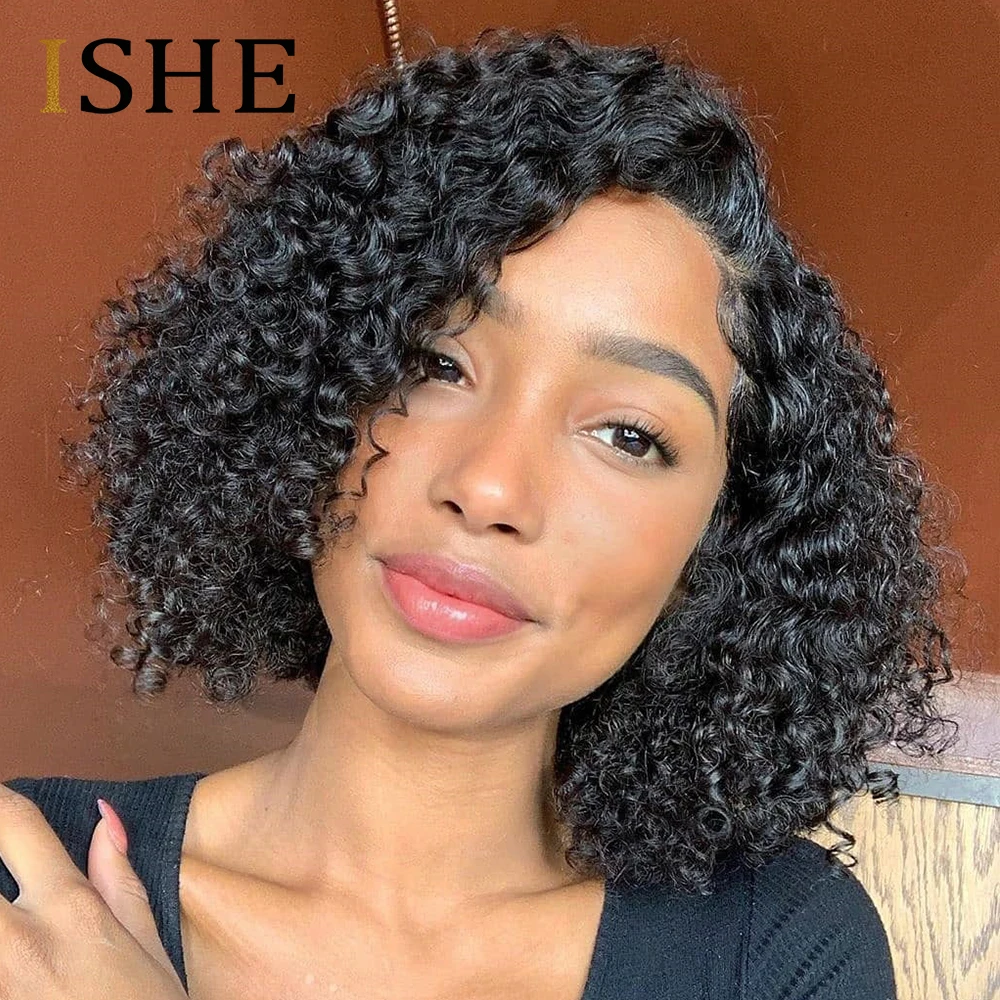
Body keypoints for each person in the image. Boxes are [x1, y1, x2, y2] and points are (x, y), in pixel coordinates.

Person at [1, 25, 964, 1000]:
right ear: (309, 394)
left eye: (627, 435)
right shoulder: (24, 890)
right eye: (436, 362)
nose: (492, 487)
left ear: (717, 545)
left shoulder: (781, 951)